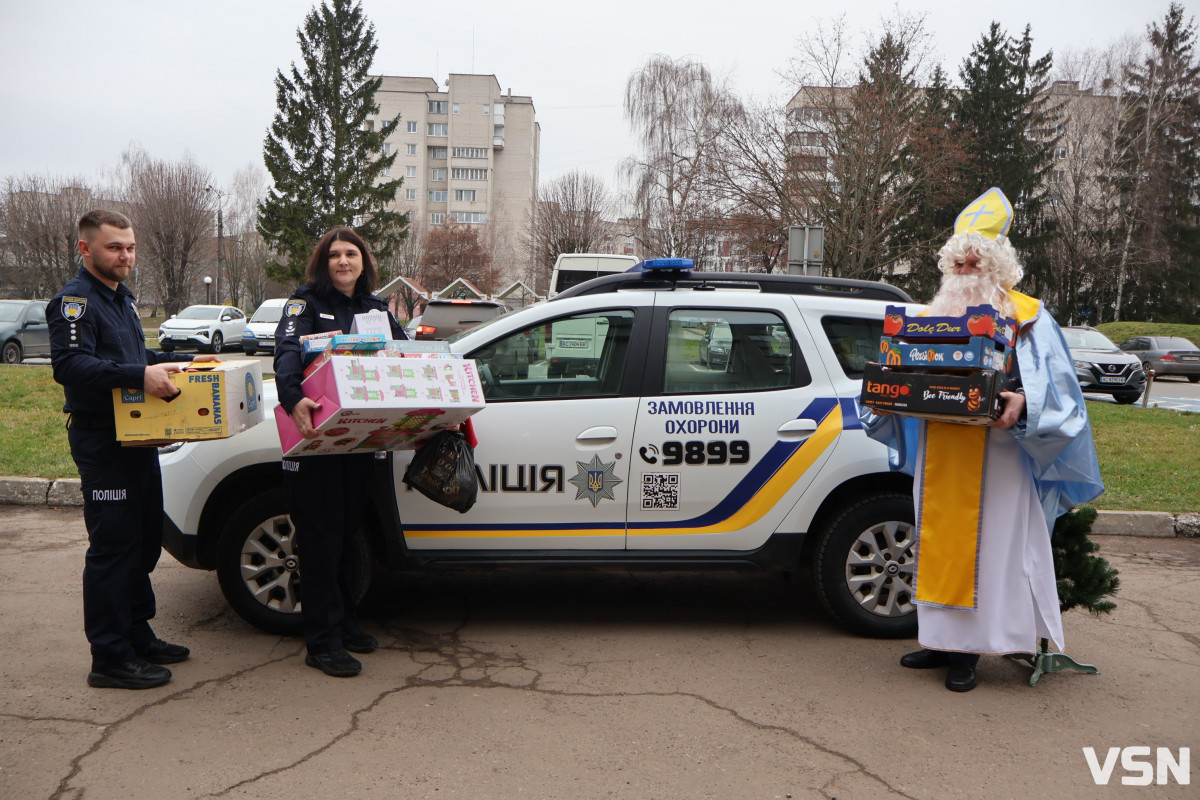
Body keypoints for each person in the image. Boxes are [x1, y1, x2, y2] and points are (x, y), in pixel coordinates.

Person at [862, 187, 1104, 692]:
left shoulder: (1029, 316)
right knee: (932, 539)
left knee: (989, 550)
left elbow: (1059, 390)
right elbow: (903, 375)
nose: (966, 271)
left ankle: (971, 653)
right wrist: (885, 395)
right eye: (959, 263)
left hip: (999, 453)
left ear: (998, 266)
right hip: (940, 449)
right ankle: (939, 640)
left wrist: (1022, 402)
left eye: (976, 263)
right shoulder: (929, 315)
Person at [49, 209, 217, 690]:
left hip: (137, 438)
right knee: (113, 548)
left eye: (130, 247)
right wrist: (136, 376)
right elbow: (70, 365)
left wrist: (185, 362)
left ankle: (137, 632)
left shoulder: (119, 300)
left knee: (144, 540)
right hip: (103, 440)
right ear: (86, 249)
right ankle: (109, 656)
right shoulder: (75, 301)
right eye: (114, 247)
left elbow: (136, 359)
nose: (125, 255)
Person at [274, 226, 409, 678]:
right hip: (316, 444)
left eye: (351, 254)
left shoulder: (375, 308)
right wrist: (293, 397)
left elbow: (405, 357)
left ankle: (345, 624)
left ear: (364, 262)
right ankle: (322, 641)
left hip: (360, 444)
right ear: (322, 262)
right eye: (334, 255)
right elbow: (287, 351)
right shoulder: (305, 304)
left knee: (348, 540)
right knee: (321, 543)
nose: (343, 262)